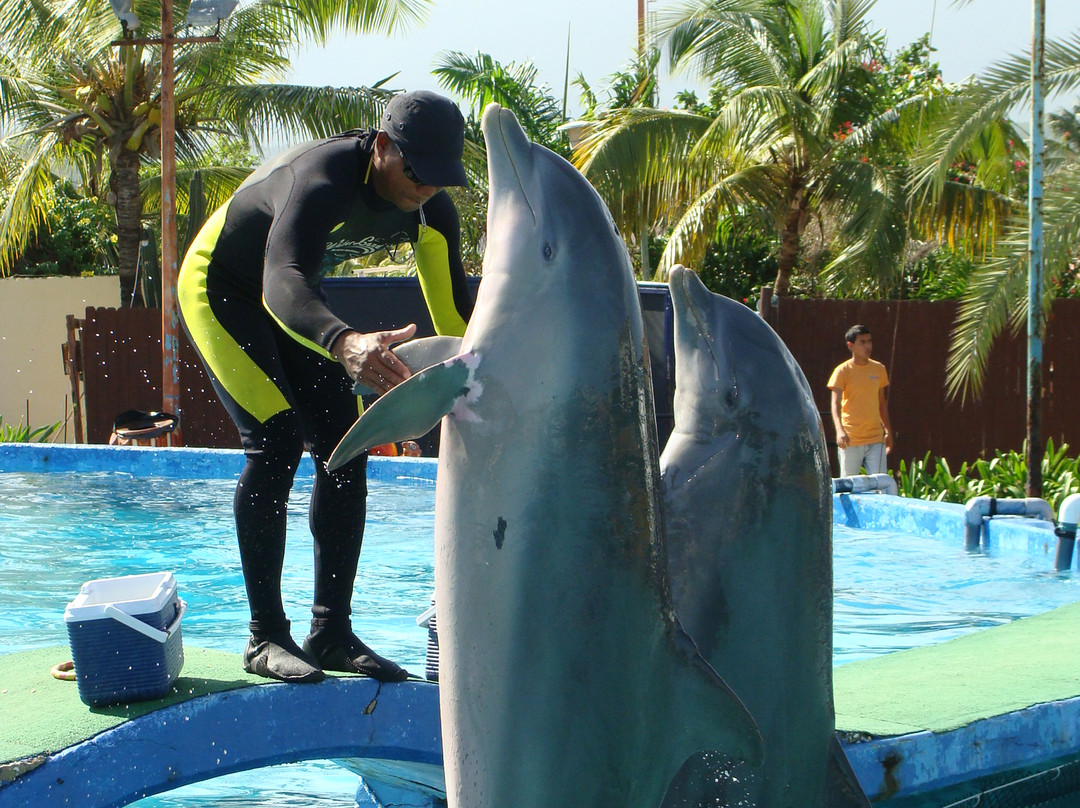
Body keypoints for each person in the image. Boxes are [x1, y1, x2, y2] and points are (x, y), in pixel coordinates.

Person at [177, 91, 473, 684]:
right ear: (384, 146)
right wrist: (345, 342)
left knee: (346, 443)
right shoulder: (323, 176)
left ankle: (330, 633)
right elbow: (280, 279)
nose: (427, 188)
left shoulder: (430, 209)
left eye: (441, 178)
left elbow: (456, 319)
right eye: (417, 172)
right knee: (278, 439)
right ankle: (265, 638)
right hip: (225, 289)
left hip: (297, 303)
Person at [827, 324, 893, 477]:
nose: (867, 346)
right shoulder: (842, 371)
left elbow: (882, 403)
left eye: (869, 341)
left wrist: (888, 430)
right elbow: (835, 405)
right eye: (862, 342)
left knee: (880, 485)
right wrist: (839, 431)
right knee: (849, 484)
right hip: (851, 439)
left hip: (876, 438)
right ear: (851, 346)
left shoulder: (879, 369)